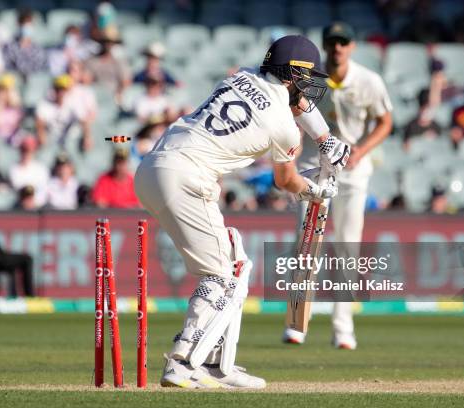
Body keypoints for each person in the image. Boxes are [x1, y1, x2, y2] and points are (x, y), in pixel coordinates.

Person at [134, 35, 348, 388]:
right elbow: (286, 180)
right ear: (293, 76)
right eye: (306, 82)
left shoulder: (242, 76)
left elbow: (296, 105)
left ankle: (217, 364)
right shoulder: (284, 127)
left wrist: (325, 141)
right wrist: (316, 190)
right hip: (186, 177)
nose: (309, 93)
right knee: (222, 277)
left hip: (154, 167)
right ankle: (183, 361)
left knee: (235, 260)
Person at [282, 23, 392, 350]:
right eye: (332, 42)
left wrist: (362, 150)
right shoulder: (311, 78)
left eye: (343, 42)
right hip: (312, 168)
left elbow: (385, 121)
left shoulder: (369, 81)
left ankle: (343, 327)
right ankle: (297, 321)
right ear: (325, 45)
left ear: (352, 46)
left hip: (353, 172)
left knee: (347, 247)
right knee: (306, 244)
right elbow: (290, 111)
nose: (338, 48)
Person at [35, 74, 92, 151]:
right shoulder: (45, 104)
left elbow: (84, 122)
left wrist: (87, 137)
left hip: (72, 141)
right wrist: (41, 135)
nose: (61, 93)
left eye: (64, 90)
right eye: (58, 89)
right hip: (52, 140)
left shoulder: (74, 103)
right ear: (54, 90)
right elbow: (40, 123)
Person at [86, 27, 131, 107]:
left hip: (114, 97)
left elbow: (126, 81)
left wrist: (119, 94)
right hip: (96, 96)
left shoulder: (119, 61)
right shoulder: (92, 61)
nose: (108, 45)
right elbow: (87, 81)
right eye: (105, 41)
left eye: (111, 42)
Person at [2, 9, 47, 79]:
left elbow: (42, 67)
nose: (27, 27)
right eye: (24, 24)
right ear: (18, 25)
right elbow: (7, 67)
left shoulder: (38, 48)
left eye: (29, 24)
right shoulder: (9, 46)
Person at [0, 73, 24, 145]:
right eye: (4, 90)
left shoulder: (15, 108)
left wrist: (16, 104)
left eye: (9, 90)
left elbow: (19, 124)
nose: (7, 93)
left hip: (12, 141)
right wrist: (0, 103)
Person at [8, 136, 49, 206]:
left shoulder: (41, 169)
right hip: (19, 206)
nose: (26, 154)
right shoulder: (13, 169)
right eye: (24, 150)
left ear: (34, 151)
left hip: (38, 207)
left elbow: (44, 190)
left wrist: (35, 202)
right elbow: (17, 188)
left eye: (29, 150)